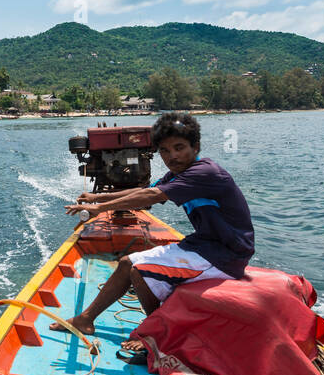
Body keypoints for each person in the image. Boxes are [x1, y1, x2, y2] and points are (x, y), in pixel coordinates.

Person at [51, 113, 255, 353]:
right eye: (165, 151)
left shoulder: (206, 173)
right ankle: (86, 320)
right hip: (203, 246)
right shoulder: (179, 174)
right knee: (127, 264)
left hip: (225, 255)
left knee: (138, 270)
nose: (172, 156)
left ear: (196, 147)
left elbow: (151, 197)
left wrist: (98, 208)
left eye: (179, 148)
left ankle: (156, 333)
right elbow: (146, 189)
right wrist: (98, 197)